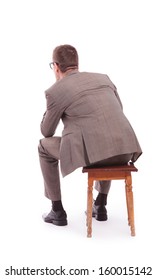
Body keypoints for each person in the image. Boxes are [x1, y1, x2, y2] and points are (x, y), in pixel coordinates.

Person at [38, 44, 142, 226]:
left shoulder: (56, 91)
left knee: (43, 147)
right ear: (76, 64)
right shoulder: (103, 79)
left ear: (56, 66)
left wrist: (53, 100)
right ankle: (100, 204)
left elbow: (47, 131)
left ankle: (57, 210)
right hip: (125, 148)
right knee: (104, 140)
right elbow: (117, 111)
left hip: (98, 154)